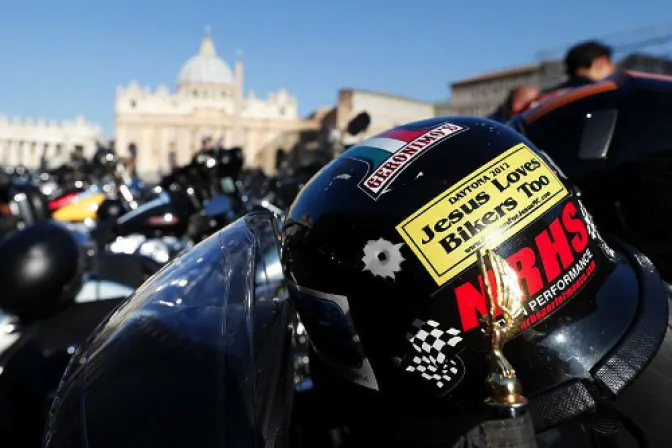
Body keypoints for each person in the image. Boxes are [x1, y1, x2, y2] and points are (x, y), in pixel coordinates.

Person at [546, 41, 617, 92]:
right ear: (601, 62)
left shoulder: (551, 96)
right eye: (610, 63)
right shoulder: (606, 93)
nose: (614, 67)